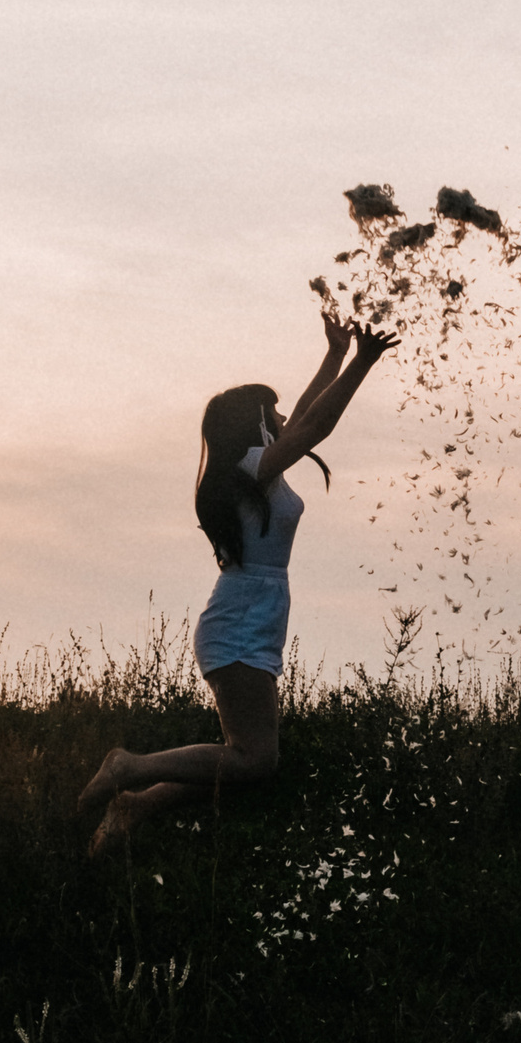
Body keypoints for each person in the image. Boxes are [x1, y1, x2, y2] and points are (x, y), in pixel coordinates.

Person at [77, 312, 396, 853]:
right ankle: (130, 770)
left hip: (253, 616)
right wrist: (363, 363)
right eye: (270, 410)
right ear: (253, 424)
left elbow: (301, 423)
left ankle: (137, 804)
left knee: (245, 757)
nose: (281, 415)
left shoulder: (253, 471)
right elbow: (314, 427)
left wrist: (336, 354)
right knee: (255, 759)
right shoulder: (248, 470)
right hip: (241, 620)